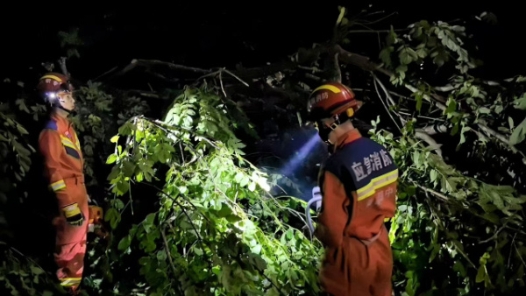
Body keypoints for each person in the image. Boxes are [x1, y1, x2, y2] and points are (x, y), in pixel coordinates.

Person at [307, 82, 399, 295]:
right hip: (381, 248)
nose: (318, 129)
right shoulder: (379, 151)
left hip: (352, 261)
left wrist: (314, 230)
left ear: (330, 121)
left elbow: (333, 232)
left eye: (319, 123)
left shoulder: (336, 166)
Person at [37, 72, 88, 295]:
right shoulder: (51, 132)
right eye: (68, 94)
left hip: (78, 193)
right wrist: (68, 206)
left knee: (78, 248)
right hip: (68, 199)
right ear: (58, 98)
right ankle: (65, 291)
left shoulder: (68, 129)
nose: (73, 98)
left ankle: (73, 289)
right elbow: (54, 173)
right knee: (69, 251)